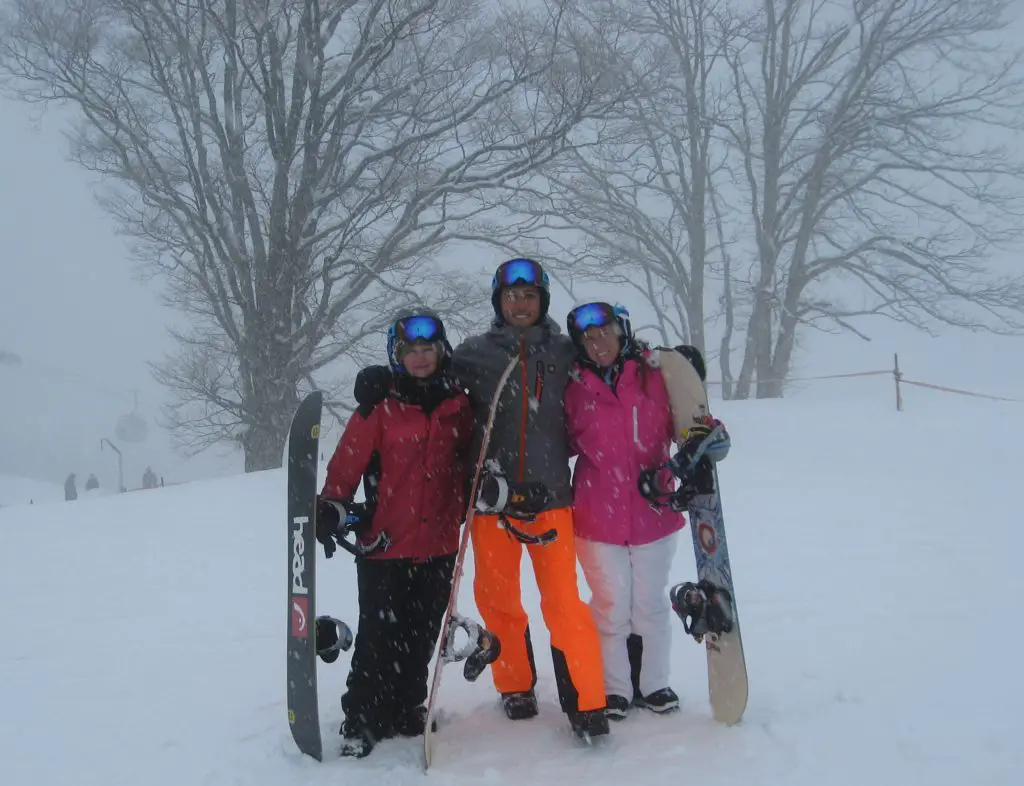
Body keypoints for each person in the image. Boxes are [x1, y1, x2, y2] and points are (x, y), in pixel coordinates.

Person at [355, 258, 610, 741]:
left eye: (529, 296)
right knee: (498, 601)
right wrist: (380, 379)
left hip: (552, 498)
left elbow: (608, 356)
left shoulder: (565, 351)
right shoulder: (473, 355)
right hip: (491, 502)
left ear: (543, 302)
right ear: (498, 301)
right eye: (511, 296)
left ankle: (587, 702)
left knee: (564, 605)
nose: (520, 304)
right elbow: (421, 375)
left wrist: (659, 359)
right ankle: (515, 684)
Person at [316, 309, 474, 759]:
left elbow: (470, 459)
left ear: (440, 352)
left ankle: (406, 706)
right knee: (379, 637)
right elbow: (345, 466)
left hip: (440, 542)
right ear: (396, 356)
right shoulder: (377, 407)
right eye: (410, 351)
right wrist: (331, 506)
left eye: (428, 349)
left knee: (422, 633)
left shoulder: (459, 405)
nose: (420, 358)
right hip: (386, 542)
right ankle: (363, 716)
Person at [562, 301, 730, 720]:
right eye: (587, 337)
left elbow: (693, 430)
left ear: (622, 331)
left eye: (603, 332)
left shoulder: (656, 376)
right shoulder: (572, 386)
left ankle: (654, 685)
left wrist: (711, 438)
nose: (596, 342)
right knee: (610, 608)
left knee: (649, 606)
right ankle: (615, 689)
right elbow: (555, 441)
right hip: (596, 517)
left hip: (654, 513)